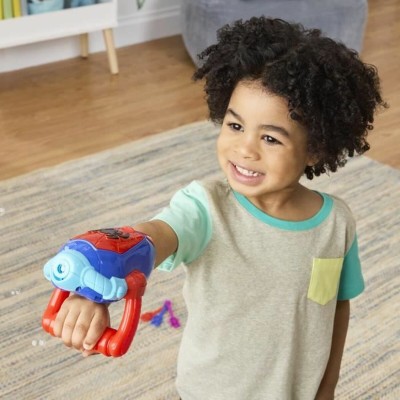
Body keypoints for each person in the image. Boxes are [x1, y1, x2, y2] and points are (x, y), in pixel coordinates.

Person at [51, 17, 386, 400]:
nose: (245, 149)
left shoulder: (336, 223)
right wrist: (97, 280)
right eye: (235, 126)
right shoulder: (204, 208)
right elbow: (154, 236)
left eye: (271, 138)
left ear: (316, 149)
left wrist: (327, 386)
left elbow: (337, 307)